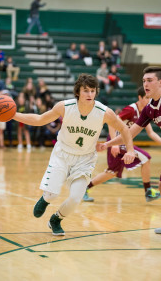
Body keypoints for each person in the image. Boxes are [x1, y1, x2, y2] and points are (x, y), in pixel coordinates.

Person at [12, 73, 135, 236]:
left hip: (85, 159)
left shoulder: (104, 112)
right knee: (52, 194)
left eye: (92, 91)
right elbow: (40, 119)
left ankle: (56, 219)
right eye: (86, 91)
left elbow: (125, 129)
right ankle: (45, 199)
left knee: (76, 198)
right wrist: (13, 115)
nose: (90, 94)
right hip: (62, 155)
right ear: (77, 92)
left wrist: (130, 149)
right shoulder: (64, 106)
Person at [97, 66, 161, 239]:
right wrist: (107, 144)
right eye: (144, 81)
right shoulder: (149, 109)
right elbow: (129, 134)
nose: (145, 84)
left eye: (150, 80)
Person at [83, 86, 161, 202]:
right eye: (146, 98)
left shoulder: (146, 111)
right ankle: (148, 192)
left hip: (124, 141)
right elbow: (111, 123)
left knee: (112, 172)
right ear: (140, 97)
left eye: (150, 97)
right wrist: (114, 144)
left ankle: (84, 189)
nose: (149, 100)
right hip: (117, 139)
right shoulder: (131, 109)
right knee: (146, 158)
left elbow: (151, 133)